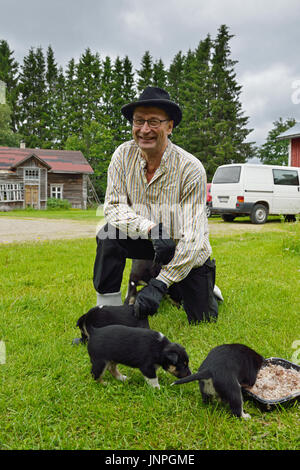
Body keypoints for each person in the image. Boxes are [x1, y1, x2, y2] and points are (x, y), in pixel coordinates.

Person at [93, 86, 222, 323]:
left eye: (153, 122)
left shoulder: (191, 168)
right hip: (148, 239)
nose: (144, 130)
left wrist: (159, 285)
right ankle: (107, 314)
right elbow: (113, 206)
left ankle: (193, 286)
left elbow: (194, 238)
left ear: (169, 126)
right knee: (108, 234)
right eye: (138, 121)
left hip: (183, 247)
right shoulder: (122, 155)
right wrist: (151, 229)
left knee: (204, 319)